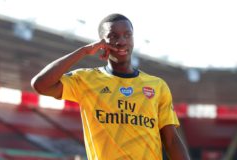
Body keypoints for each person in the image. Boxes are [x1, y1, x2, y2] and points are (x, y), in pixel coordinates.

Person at [31, 13, 190, 160]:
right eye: (113, 36)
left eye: (127, 35)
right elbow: (41, 84)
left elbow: (170, 140)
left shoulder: (157, 86)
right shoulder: (87, 80)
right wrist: (84, 51)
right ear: (101, 42)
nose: (121, 41)